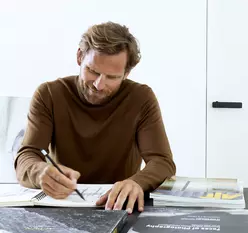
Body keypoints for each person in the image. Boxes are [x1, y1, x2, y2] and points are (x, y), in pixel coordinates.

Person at [14, 21, 176, 214]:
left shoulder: (141, 98)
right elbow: (27, 154)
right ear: (79, 57)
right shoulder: (49, 94)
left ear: (127, 73)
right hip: (60, 206)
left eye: (112, 77)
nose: (99, 85)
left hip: (117, 207)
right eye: (93, 71)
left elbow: (163, 161)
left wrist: (136, 183)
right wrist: (39, 172)